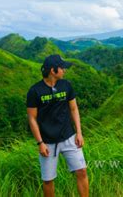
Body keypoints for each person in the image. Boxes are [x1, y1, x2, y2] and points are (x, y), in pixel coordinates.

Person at [26, 54, 89, 197]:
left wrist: (79, 132)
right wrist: (40, 142)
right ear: (52, 71)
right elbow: (32, 118)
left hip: (69, 137)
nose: (64, 70)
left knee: (82, 171)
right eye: (62, 68)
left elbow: (74, 109)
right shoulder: (35, 91)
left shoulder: (66, 85)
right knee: (48, 180)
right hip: (47, 142)